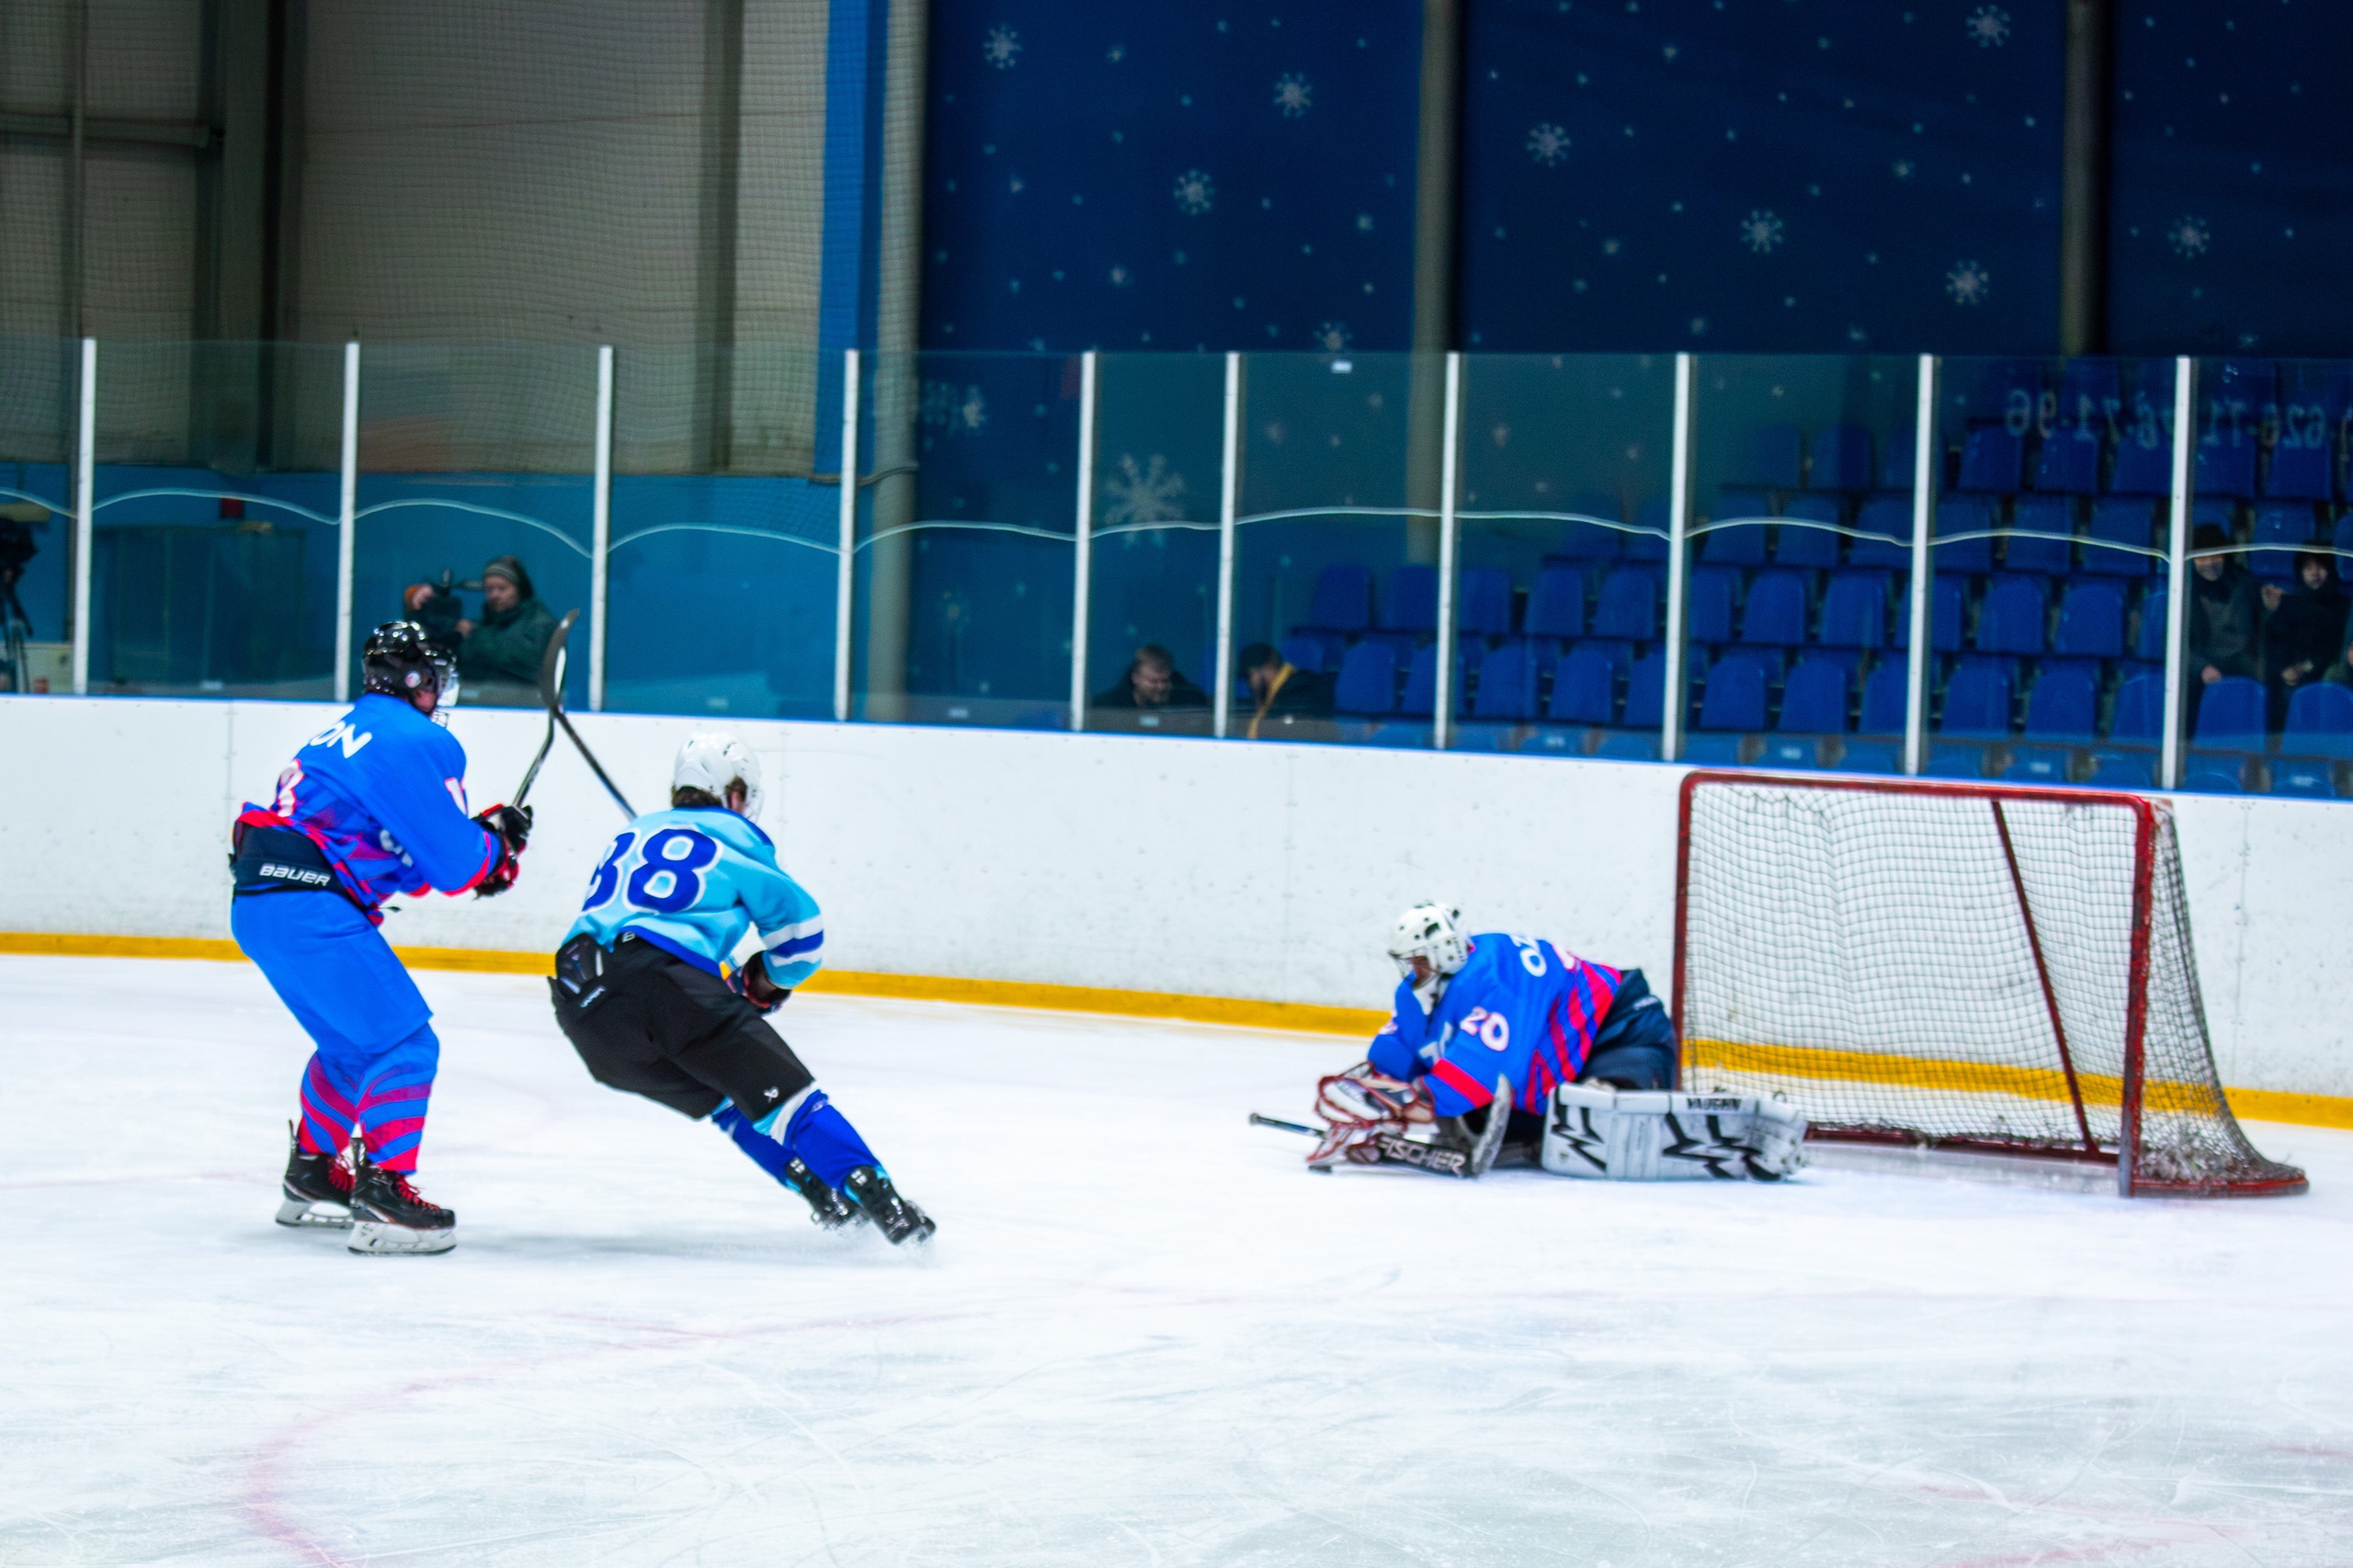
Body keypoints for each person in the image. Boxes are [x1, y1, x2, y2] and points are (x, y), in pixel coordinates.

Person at [547, 733, 935, 1245]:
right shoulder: (735, 837)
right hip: (660, 981)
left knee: (726, 1101)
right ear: (732, 794)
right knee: (790, 1102)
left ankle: (822, 1195)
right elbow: (801, 937)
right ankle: (890, 1210)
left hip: (581, 1005)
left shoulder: (633, 836)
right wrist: (763, 981)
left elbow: (640, 929)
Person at [233, 620, 531, 1255]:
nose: (439, 691)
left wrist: (484, 843)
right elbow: (453, 866)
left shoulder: (348, 731)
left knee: (350, 1046)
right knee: (405, 1045)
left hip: (262, 902)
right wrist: (494, 848)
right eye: (435, 679)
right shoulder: (419, 738)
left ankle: (313, 1172)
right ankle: (384, 1193)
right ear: (417, 679)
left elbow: (399, 855)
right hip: (311, 905)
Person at [1302, 904, 1802, 1181]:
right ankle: (1549, 1129)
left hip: (1621, 1030)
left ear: (1446, 951)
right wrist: (1371, 1093)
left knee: (1598, 1111)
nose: (1412, 972)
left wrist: (1407, 1103)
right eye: (1406, 963)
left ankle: (1732, 1132)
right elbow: (1394, 1056)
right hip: (1556, 1070)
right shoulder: (1420, 993)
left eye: (1419, 961)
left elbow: (1479, 1073)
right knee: (1541, 1130)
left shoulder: (1495, 972)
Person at [2261, 551, 2349, 725]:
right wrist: (2284, 668)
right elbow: (2277, 642)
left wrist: (2306, 667)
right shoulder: (2290, 603)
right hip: (2292, 673)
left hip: (2324, 671)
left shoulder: (2343, 605)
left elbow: (2335, 646)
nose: (2315, 573)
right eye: (2308, 567)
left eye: (2320, 566)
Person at [457, 555, 558, 696]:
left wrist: (477, 642)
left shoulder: (540, 624)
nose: (495, 595)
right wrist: (462, 638)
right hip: (479, 699)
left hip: (521, 703)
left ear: (519, 589)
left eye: (502, 589)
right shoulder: (482, 624)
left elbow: (530, 668)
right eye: (489, 589)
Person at [2188, 524, 2261, 688]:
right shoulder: (2184, 591)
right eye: (2202, 558)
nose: (2209, 563)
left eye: (2215, 556)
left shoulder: (2247, 585)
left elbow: (2261, 635)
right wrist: (2202, 667)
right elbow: (2177, 644)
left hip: (2243, 663)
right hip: (2203, 665)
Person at [1235, 642, 1334, 737]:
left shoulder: (1299, 692)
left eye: (1248, 676)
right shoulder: (1275, 696)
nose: (1248, 683)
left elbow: (1275, 734)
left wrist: (1258, 696)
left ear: (1267, 667)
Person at [1093, 644, 1208, 710]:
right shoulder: (1108, 706)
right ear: (1135, 678)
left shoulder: (1191, 703)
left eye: (1165, 681)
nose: (1161, 687)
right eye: (1154, 681)